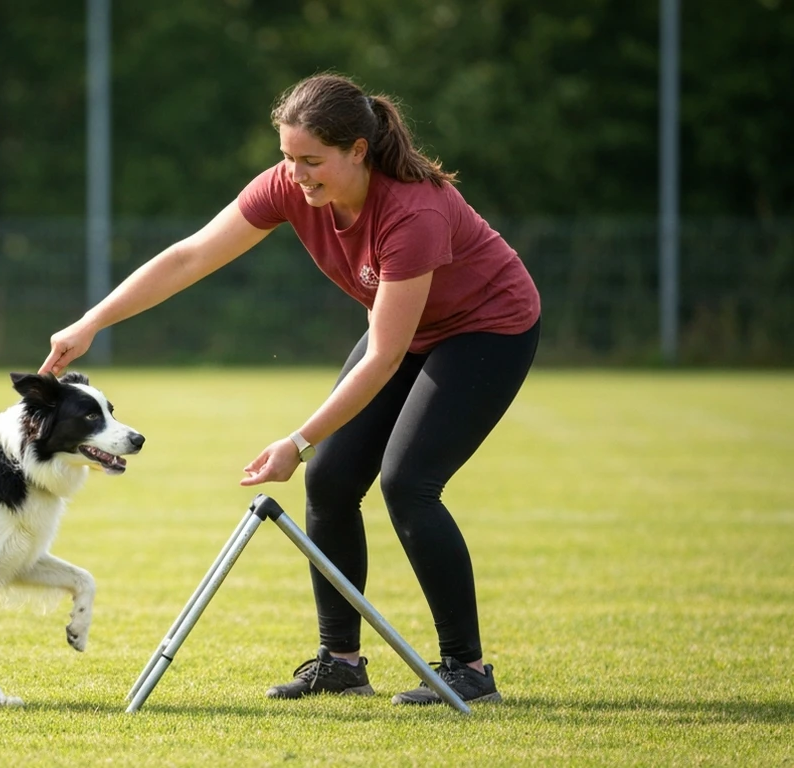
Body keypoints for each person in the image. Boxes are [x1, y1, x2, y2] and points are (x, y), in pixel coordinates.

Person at [38, 73, 541, 706]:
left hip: (487, 330)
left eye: (311, 161)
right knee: (328, 479)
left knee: (407, 483)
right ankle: (341, 662)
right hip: (408, 335)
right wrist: (92, 322)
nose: (297, 176)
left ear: (358, 150)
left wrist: (297, 439)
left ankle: (467, 670)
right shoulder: (289, 185)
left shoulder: (412, 212)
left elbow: (384, 356)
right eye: (287, 158)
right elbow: (191, 257)